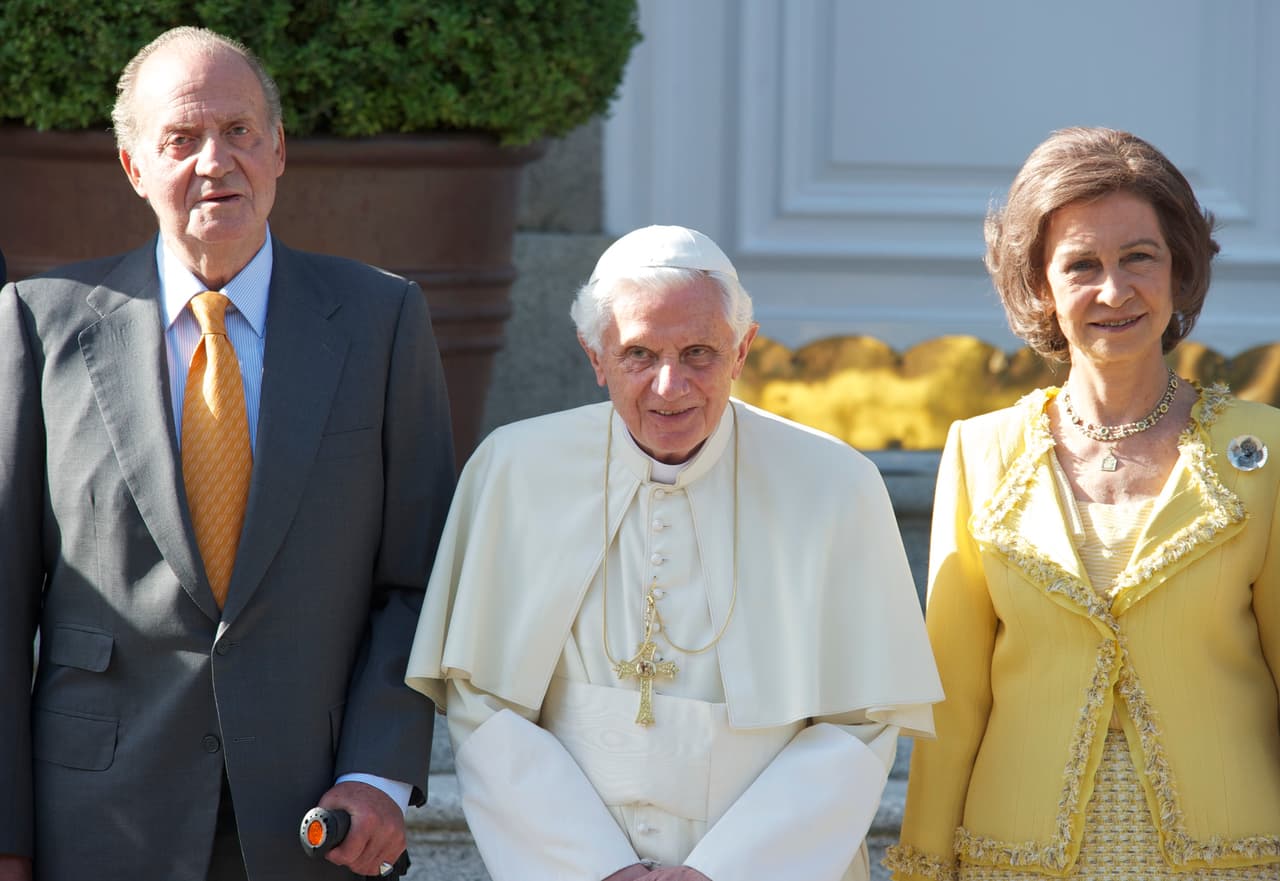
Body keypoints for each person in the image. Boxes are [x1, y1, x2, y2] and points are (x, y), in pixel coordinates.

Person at [0, 26, 454, 881]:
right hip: (98, 824)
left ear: (279, 150)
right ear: (135, 167)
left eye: (240, 131)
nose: (217, 161)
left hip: (314, 821)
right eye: (182, 138)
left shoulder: (381, 321)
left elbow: (420, 578)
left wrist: (378, 770)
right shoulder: (38, 324)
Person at [406, 224, 943, 881]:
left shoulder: (834, 483)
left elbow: (861, 721)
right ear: (594, 355)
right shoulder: (514, 471)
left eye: (698, 352)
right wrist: (597, 867)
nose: (669, 386)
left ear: (742, 350)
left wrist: (722, 871)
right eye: (638, 354)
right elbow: (484, 703)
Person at [885, 126, 1280, 881]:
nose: (1113, 290)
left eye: (1140, 257)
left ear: (1180, 268)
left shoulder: (1267, 451)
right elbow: (952, 704)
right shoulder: (979, 451)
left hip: (1234, 860)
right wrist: (922, 867)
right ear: (1038, 285)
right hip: (1015, 861)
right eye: (1081, 265)